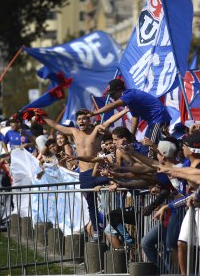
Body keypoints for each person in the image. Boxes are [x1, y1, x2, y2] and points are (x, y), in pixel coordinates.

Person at [42, 107, 129, 241]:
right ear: (76, 121)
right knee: (91, 205)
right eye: (79, 119)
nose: (81, 121)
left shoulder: (97, 130)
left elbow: (110, 120)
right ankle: (96, 230)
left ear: (89, 120)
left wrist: (125, 110)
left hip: (99, 171)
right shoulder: (74, 131)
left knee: (117, 194)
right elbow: (56, 125)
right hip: (84, 175)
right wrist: (43, 116)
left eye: (84, 118)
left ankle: (123, 229)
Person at [88, 78, 171, 155]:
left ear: (119, 90)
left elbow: (113, 105)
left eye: (112, 94)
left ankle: (159, 167)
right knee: (146, 145)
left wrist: (94, 113)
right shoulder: (130, 100)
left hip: (158, 118)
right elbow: (135, 117)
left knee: (150, 148)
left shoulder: (129, 95)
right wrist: (132, 135)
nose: (112, 97)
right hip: (153, 121)